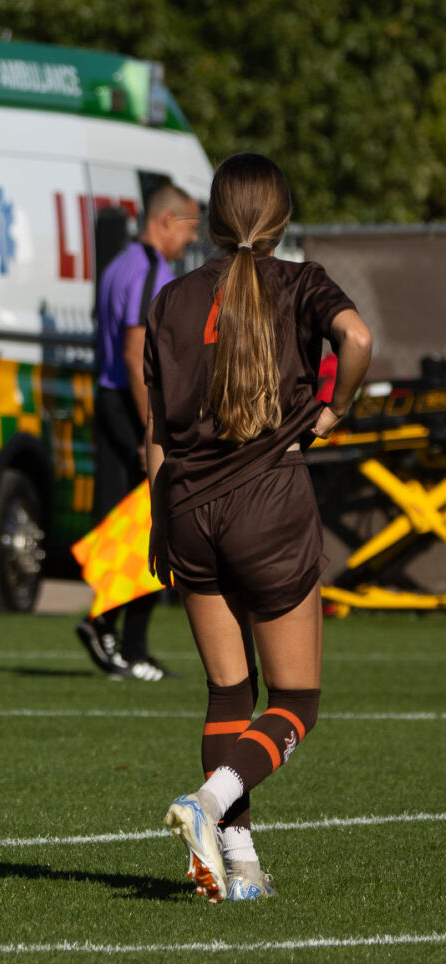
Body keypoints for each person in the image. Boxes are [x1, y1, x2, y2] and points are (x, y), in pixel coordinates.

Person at [148, 152, 370, 902]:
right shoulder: (300, 281)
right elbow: (358, 339)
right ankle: (208, 804)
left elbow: (157, 431)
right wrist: (334, 412)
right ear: (279, 218)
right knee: (294, 701)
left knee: (225, 691)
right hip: (266, 505)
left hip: (183, 507)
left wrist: (158, 516)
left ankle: (237, 867)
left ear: (211, 220)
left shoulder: (172, 296)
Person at [76, 183, 201, 680]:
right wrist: (155, 422)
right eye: (190, 229)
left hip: (111, 403)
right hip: (133, 407)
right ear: (167, 220)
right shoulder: (151, 271)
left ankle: (117, 634)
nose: (190, 241)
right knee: (156, 522)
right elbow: (135, 353)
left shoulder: (118, 265)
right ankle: (120, 635)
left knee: (127, 523)